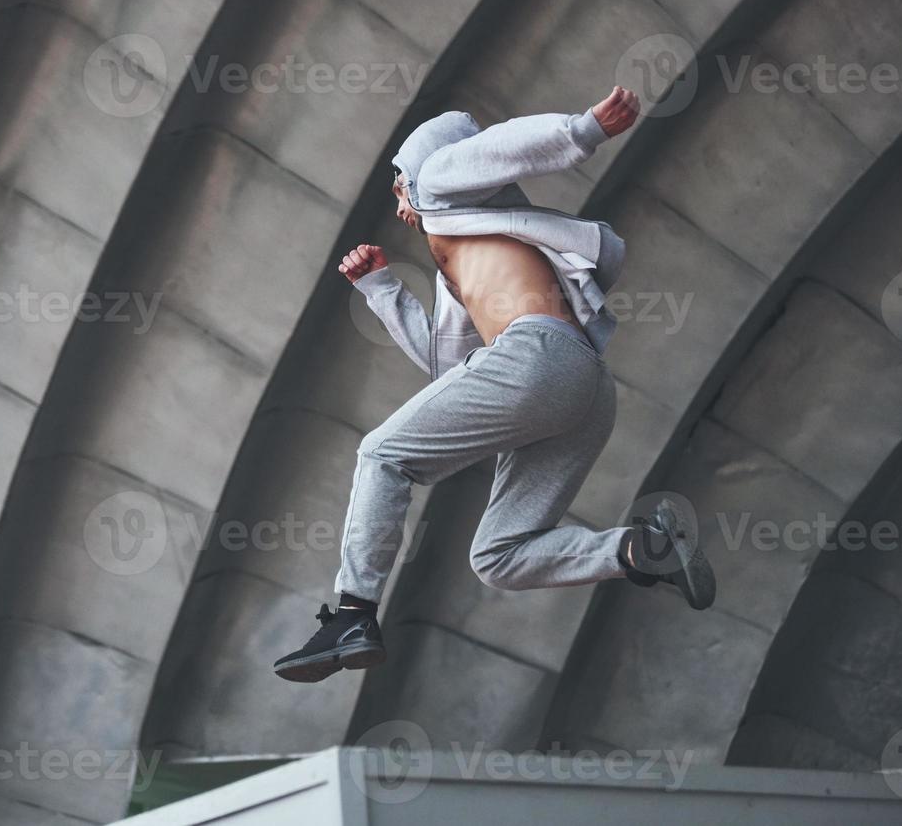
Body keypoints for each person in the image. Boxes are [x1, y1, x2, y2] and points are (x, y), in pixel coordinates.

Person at [274, 88, 715, 684]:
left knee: (381, 454)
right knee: (499, 557)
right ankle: (641, 549)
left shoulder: (440, 177)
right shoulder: (466, 249)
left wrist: (582, 131)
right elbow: (447, 366)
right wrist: (381, 290)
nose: (400, 203)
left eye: (397, 184)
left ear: (415, 170)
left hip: (539, 357)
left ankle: (353, 613)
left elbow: (501, 147)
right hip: (581, 387)